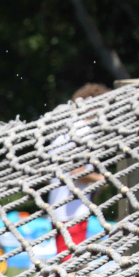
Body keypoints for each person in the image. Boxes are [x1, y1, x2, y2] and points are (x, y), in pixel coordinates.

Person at [48, 83, 109, 257]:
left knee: (73, 262)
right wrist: (101, 179)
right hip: (73, 211)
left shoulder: (64, 131)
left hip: (58, 207)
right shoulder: (83, 131)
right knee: (71, 264)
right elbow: (76, 172)